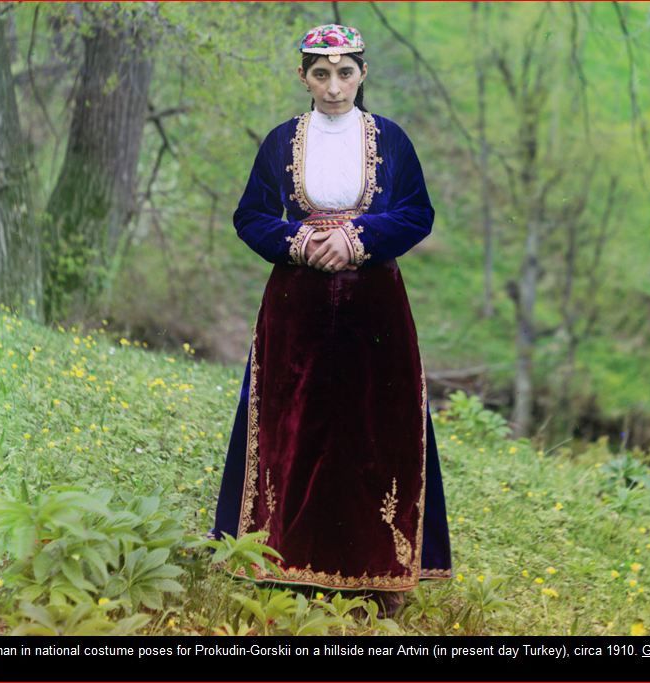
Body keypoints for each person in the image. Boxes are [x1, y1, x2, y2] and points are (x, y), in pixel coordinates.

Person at [208, 23, 452, 618]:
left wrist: (357, 239)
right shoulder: (278, 143)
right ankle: (279, 565)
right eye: (321, 73)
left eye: (345, 72)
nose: (334, 86)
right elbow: (250, 217)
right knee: (293, 428)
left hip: (376, 307)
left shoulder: (391, 141)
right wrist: (298, 241)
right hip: (297, 309)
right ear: (303, 77)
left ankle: (379, 574)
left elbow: (417, 214)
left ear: (363, 74)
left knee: (375, 425)